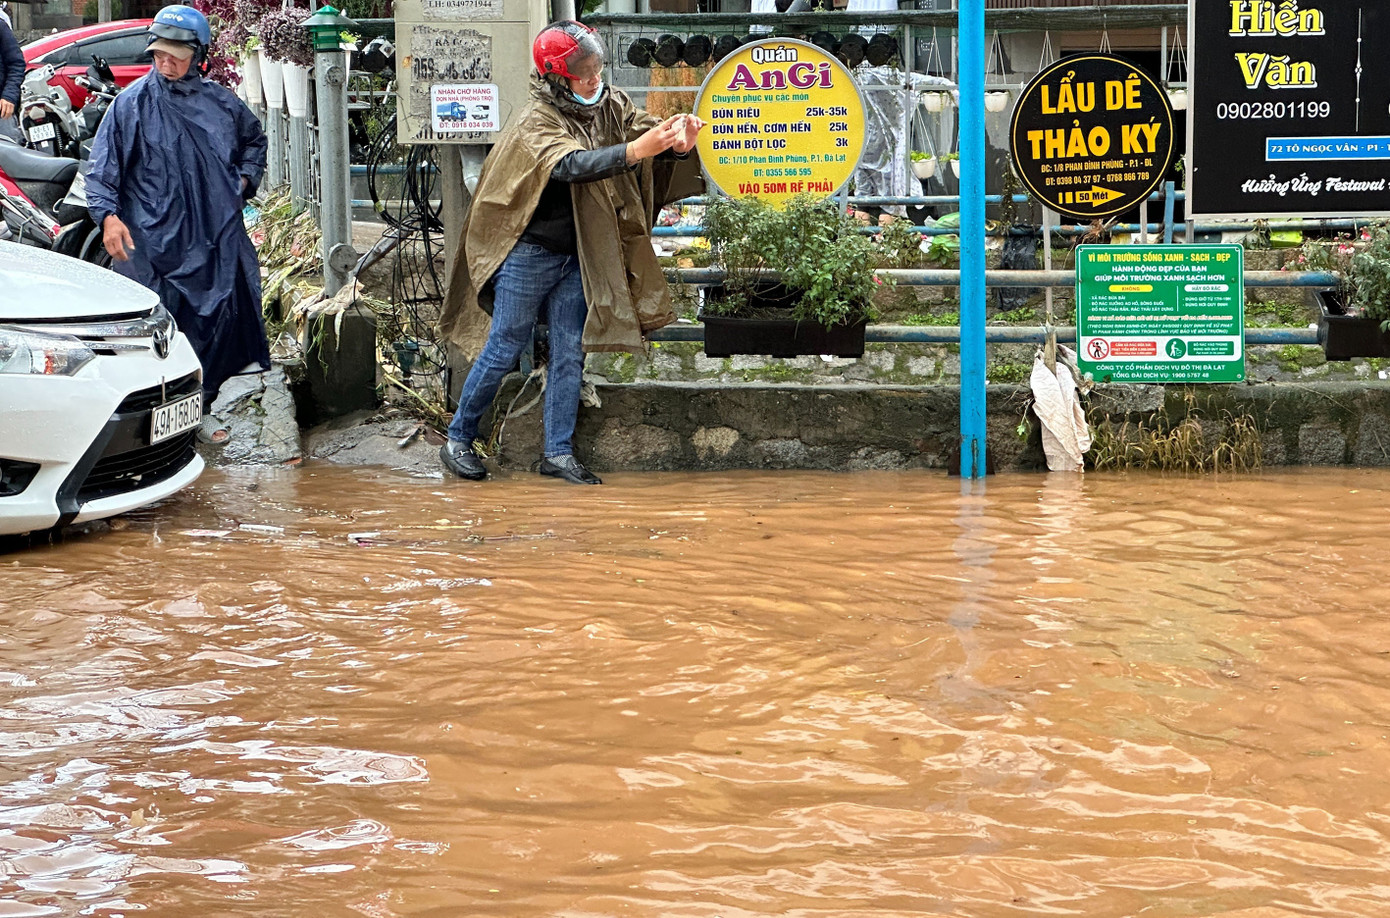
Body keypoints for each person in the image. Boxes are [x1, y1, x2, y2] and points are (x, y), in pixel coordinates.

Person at [438, 20, 704, 485]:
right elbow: (569, 165)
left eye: (596, 67)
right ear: (557, 76)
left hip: (581, 251)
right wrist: (637, 150)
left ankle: (557, 453)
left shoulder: (610, 102)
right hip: (530, 250)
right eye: (583, 71)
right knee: (504, 344)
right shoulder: (536, 118)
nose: (593, 78)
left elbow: (647, 135)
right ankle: (458, 437)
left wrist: (677, 145)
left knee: (570, 351)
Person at [86, 4, 269, 442]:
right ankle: (143, 427)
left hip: (210, 240)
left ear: (198, 56)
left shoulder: (222, 105)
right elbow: (102, 170)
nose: (166, 63)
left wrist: (241, 182)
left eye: (176, 55)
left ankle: (196, 414)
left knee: (215, 323)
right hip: (150, 243)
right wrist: (109, 218)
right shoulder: (131, 107)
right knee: (152, 332)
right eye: (159, 54)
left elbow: (254, 142)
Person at [0, 13, 22, 143]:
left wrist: (8, 96)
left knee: (9, 158)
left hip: (2, 112)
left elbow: (16, 64)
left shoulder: (1, 27)